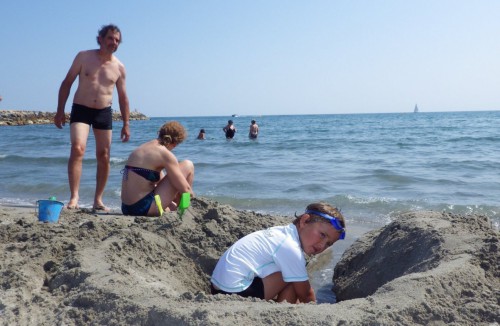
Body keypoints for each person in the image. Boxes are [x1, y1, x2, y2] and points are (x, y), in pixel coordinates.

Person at [54, 24, 130, 211]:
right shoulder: (84, 57)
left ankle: (98, 199)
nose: (114, 43)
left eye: (117, 40)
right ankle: (74, 197)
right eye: (111, 38)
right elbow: (66, 83)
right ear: (101, 39)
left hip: (104, 112)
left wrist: (126, 123)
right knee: (78, 148)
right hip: (81, 109)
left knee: (103, 156)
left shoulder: (119, 67)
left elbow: (123, 97)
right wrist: (60, 111)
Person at [211, 202, 346, 304]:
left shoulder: (282, 233)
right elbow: (306, 294)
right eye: (322, 235)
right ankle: (282, 312)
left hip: (218, 287)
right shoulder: (290, 247)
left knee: (292, 274)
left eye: (329, 243)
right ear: (304, 221)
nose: (322, 245)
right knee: (295, 280)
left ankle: (282, 303)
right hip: (234, 293)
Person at [121, 121, 195, 216]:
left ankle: (180, 209)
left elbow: (163, 184)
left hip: (126, 208)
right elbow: (186, 189)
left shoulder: (143, 148)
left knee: (172, 207)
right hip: (142, 208)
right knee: (188, 165)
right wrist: (196, 203)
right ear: (175, 144)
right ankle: (184, 212)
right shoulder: (165, 154)